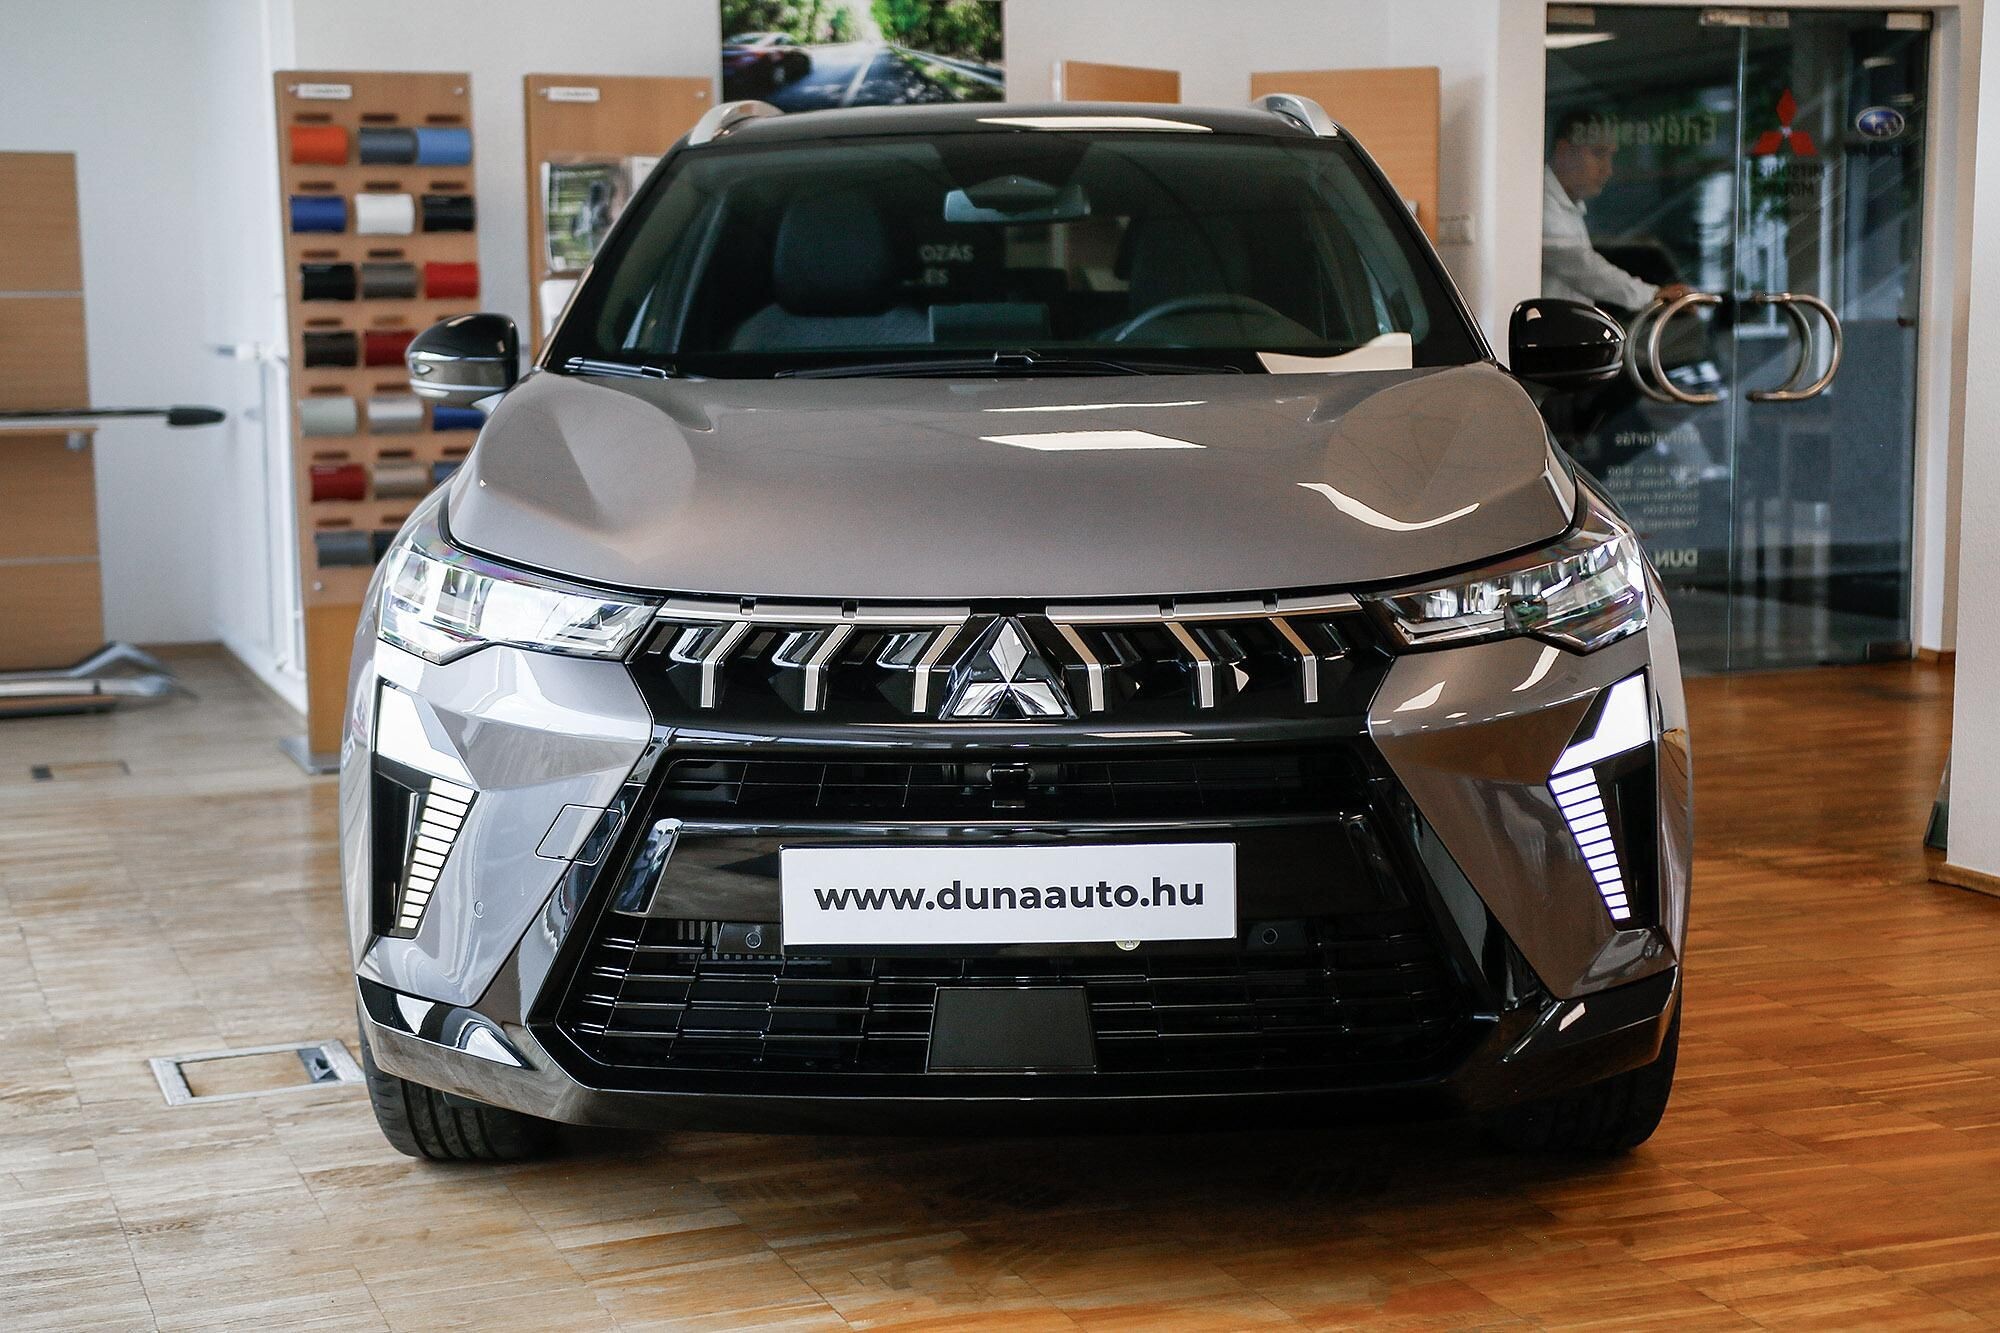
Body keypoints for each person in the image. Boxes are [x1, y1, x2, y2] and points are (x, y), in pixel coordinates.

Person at [1542, 109, 1691, 311]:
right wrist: (1652, 295)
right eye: (1598, 154)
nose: (1608, 169)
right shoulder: (1539, 205)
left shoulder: (1567, 204)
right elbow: (1582, 266)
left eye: (1610, 156)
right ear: (1564, 152)